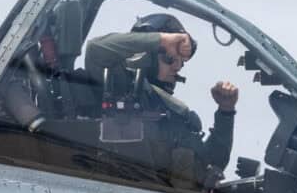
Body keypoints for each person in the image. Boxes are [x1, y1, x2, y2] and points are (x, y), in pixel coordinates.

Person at [79, 12, 239, 184]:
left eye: (181, 62)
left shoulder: (176, 115)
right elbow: (95, 50)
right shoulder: (118, 87)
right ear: (145, 56)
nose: (177, 67)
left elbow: (213, 162)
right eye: (169, 59)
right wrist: (161, 40)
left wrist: (226, 112)